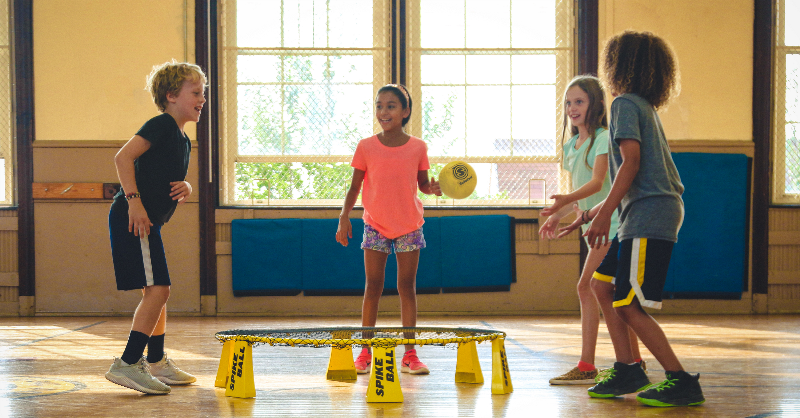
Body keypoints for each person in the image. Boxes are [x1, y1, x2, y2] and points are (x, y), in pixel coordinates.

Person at [559, 31, 704, 407]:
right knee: (600, 287)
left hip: (650, 214)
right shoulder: (641, 105)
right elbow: (632, 173)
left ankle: (681, 379)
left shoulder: (624, 103)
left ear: (619, 65)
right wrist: (590, 213)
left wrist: (604, 215)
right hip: (639, 214)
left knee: (626, 304)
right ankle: (628, 367)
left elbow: (632, 164)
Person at [105, 61, 207, 394]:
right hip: (135, 218)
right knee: (159, 291)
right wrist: (133, 201)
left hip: (149, 223)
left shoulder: (182, 139)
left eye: (203, 93)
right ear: (171, 95)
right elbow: (123, 158)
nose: (202, 98)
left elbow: (164, 175)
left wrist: (187, 187)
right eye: (196, 92)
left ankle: (158, 361)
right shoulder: (161, 124)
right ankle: (128, 363)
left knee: (158, 293)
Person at [540, 75, 645, 385]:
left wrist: (569, 204)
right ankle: (633, 361)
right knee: (607, 295)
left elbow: (598, 183)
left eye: (579, 101)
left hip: (612, 224)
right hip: (593, 226)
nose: (573, 108)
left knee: (587, 287)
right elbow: (579, 193)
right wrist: (556, 215)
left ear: (595, 104)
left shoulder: (603, 137)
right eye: (569, 103)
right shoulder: (572, 145)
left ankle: (590, 365)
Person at [336, 84, 441, 376]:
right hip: (375, 226)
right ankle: (365, 352)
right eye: (379, 105)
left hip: (409, 226)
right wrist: (344, 217)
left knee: (406, 287)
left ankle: (410, 354)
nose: (384, 112)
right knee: (373, 287)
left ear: (405, 111)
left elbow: (422, 184)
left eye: (391, 106)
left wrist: (431, 188)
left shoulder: (418, 147)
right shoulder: (366, 146)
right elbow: (355, 187)